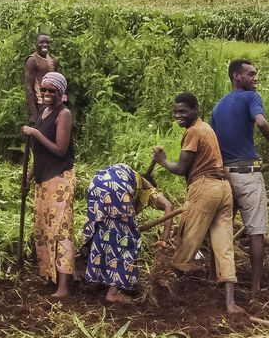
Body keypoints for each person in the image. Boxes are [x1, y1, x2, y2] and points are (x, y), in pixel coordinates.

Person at [152, 92, 243, 314]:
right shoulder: (207, 129)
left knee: (187, 237)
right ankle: (230, 303)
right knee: (224, 244)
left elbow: (181, 169)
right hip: (223, 188)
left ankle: (171, 291)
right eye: (175, 112)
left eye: (183, 111)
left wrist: (162, 161)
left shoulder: (193, 132)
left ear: (195, 110)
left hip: (204, 188)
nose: (178, 116)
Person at [210, 59, 269, 295]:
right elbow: (261, 121)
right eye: (251, 74)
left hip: (225, 175)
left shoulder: (218, 106)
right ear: (236, 76)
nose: (255, 78)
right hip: (248, 174)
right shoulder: (251, 98)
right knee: (256, 231)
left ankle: (216, 277)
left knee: (221, 228)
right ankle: (255, 288)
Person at [81, 163, 174, 302]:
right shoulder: (148, 188)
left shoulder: (127, 175)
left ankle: (97, 280)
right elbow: (169, 206)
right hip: (117, 188)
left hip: (96, 184)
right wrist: (164, 239)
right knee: (126, 239)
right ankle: (113, 293)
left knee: (102, 233)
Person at [23, 71, 75, 298]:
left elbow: (59, 149)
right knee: (43, 230)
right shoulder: (44, 112)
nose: (46, 94)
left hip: (59, 179)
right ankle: (49, 275)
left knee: (60, 230)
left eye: (51, 91)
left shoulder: (63, 114)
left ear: (60, 92)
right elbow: (41, 152)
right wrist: (30, 176)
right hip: (43, 179)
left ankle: (63, 286)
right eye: (43, 90)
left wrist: (34, 132)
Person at [22, 33, 58, 124]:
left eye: (47, 42)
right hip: (40, 103)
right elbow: (28, 87)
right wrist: (34, 113)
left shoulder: (49, 58)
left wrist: (56, 68)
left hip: (50, 102)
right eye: (41, 42)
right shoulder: (32, 60)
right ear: (36, 44)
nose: (45, 45)